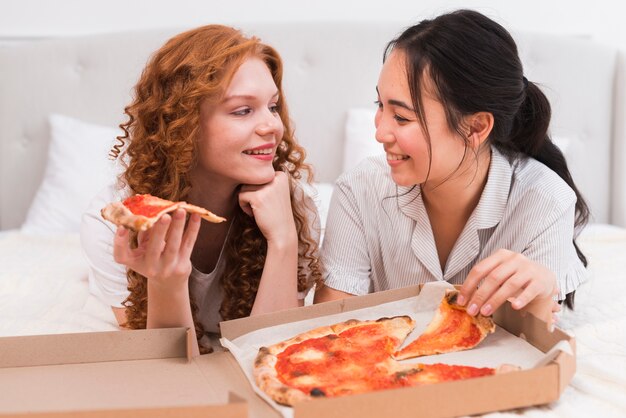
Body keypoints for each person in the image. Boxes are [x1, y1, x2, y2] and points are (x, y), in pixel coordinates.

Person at [315, 10, 588, 323]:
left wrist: (539, 297)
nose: (379, 133)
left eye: (402, 117)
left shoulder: (545, 201)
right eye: (380, 106)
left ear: (475, 128)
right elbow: (329, 330)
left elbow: (533, 347)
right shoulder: (359, 189)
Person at [81, 25, 322, 355]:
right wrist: (167, 282)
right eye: (243, 110)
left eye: (273, 106)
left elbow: (270, 356)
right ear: (184, 125)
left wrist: (282, 240)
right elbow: (170, 373)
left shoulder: (292, 207)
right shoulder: (112, 225)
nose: (272, 126)